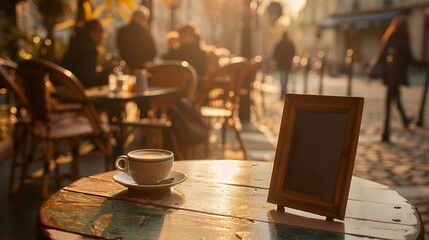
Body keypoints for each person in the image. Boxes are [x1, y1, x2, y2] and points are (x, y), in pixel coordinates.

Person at [370, 15, 426, 137]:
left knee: (393, 97)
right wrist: (424, 63)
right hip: (397, 75)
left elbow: (380, 56)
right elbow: (410, 60)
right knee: (393, 97)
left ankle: (395, 124)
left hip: (389, 75)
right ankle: (391, 126)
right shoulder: (404, 41)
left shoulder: (389, 38)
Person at [62, 19, 114, 88]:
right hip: (75, 92)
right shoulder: (89, 50)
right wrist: (109, 73)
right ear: (92, 33)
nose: (104, 37)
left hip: (66, 85)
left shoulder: (78, 44)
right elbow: (87, 80)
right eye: (101, 32)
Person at [117, 6, 157, 71]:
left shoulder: (123, 31)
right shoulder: (144, 31)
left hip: (127, 66)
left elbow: (120, 47)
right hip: (142, 67)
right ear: (143, 18)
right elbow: (152, 51)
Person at [273, 31, 296, 99]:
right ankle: (284, 91)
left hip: (280, 64)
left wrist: (278, 60)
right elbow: (293, 53)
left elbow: (274, 54)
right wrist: (289, 59)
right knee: (286, 79)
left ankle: (282, 92)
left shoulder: (279, 43)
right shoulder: (290, 43)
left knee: (282, 79)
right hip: (287, 64)